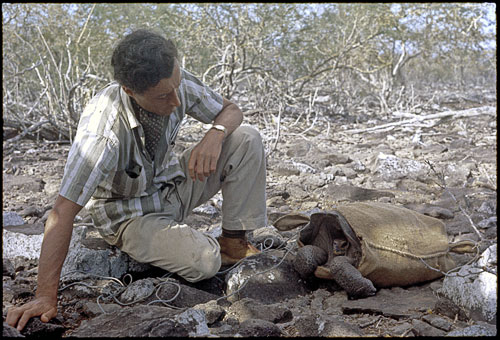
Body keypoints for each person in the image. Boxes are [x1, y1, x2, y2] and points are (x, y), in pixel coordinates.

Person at [7, 29, 267, 331]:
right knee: (203, 262)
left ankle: (234, 241)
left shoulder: (172, 79)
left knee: (246, 138)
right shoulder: (102, 132)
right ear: (131, 90)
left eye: (177, 86)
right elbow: (62, 211)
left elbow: (231, 111)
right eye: (162, 96)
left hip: (167, 186)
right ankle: (203, 247)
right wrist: (44, 295)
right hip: (128, 216)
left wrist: (215, 134)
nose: (176, 100)